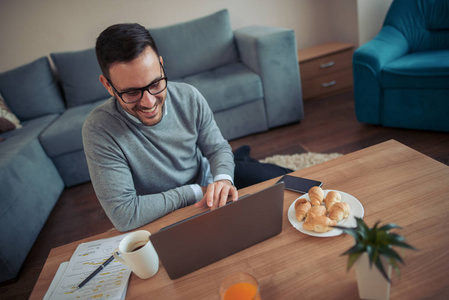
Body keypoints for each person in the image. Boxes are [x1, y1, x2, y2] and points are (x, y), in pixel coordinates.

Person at [83, 23, 291, 232]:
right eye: (131, 93)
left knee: (288, 180)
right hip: (160, 212)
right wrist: (194, 192)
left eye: (155, 84)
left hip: (208, 183)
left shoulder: (188, 96)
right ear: (108, 85)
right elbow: (124, 214)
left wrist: (222, 180)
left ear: (161, 65)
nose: (148, 102)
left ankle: (241, 160)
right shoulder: (99, 130)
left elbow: (217, 148)